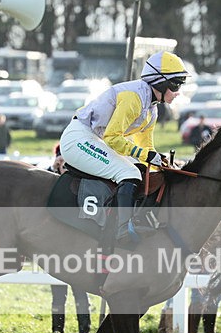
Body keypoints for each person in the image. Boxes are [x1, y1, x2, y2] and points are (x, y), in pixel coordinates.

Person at [59, 51, 188, 247]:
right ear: (160, 83)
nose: (178, 91)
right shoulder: (134, 99)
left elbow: (145, 146)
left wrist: (159, 162)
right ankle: (122, 231)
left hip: (96, 138)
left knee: (140, 168)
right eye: (175, 85)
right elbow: (112, 137)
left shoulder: (151, 109)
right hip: (79, 138)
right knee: (129, 172)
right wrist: (147, 155)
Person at [46, 144, 91, 333]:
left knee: (81, 293)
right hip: (56, 248)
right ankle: (57, 330)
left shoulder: (80, 184)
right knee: (58, 295)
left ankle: (84, 330)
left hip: (76, 249)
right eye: (61, 160)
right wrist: (53, 168)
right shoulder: (49, 181)